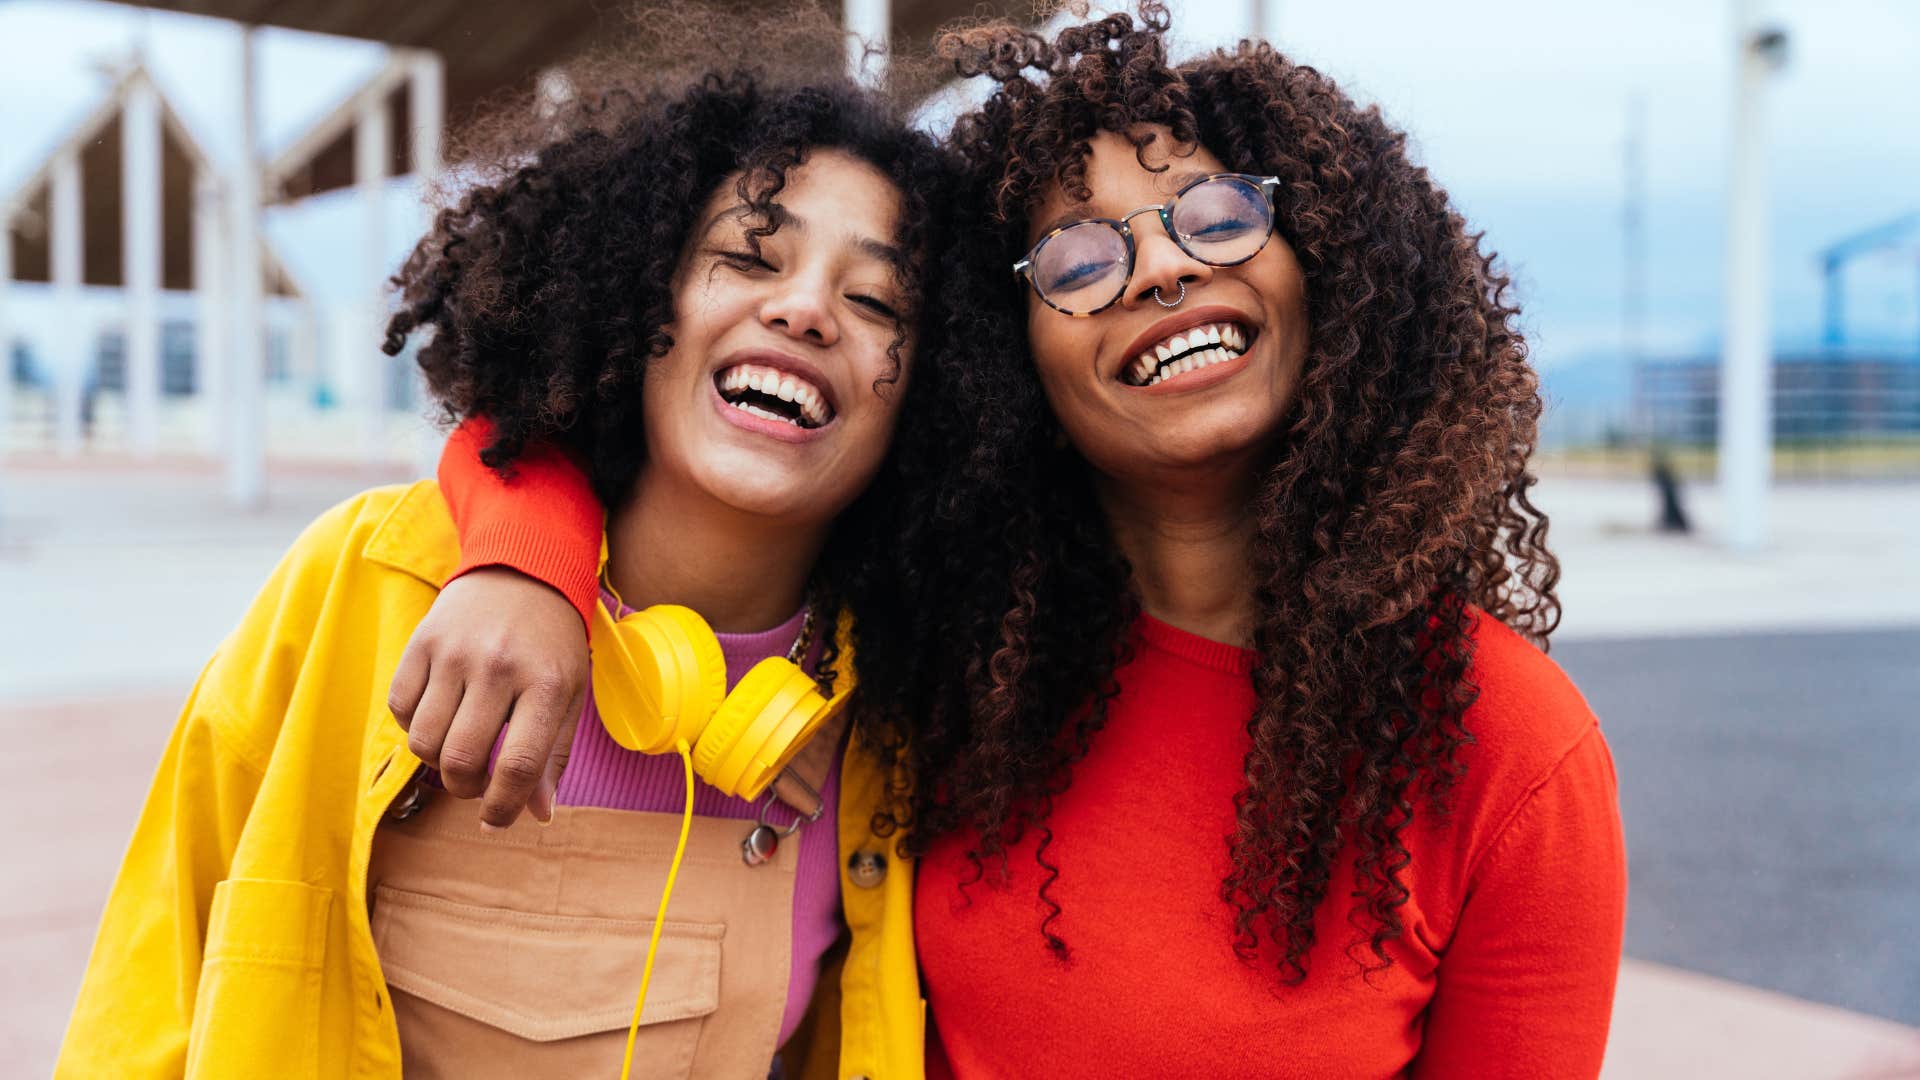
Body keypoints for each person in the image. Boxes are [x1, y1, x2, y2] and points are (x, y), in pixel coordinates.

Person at [396, 5, 1627, 1078]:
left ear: (1342, 266)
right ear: (1000, 359)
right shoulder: (943, 656)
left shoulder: (1511, 754)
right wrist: (526, 553)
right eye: (1080, 258)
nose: (1158, 271)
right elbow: (587, 434)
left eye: (1216, 214)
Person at [56, 20, 955, 1078]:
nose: (805, 309)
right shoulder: (368, 583)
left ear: (942, 390)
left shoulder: (895, 718)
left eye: (874, 299)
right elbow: (147, 1002)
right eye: (747, 257)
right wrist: (524, 548)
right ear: (633, 298)